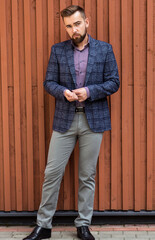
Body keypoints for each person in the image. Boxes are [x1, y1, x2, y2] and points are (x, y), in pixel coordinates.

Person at [23, 5, 120, 240]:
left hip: (93, 120)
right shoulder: (57, 51)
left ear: (87, 21)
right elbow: (49, 82)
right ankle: (43, 226)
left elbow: (114, 82)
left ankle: (83, 225)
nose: (73, 30)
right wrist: (63, 91)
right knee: (52, 173)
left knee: (87, 175)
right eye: (68, 26)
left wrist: (89, 91)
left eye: (77, 24)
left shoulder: (105, 50)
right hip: (65, 120)